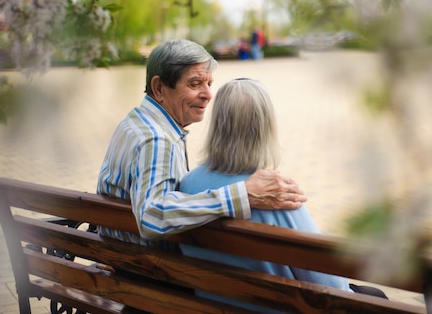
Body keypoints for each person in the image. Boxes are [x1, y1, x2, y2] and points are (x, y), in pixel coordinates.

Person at [97, 39, 306, 248]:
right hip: (147, 270)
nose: (208, 95)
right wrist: (242, 194)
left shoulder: (134, 122)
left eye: (209, 84)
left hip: (119, 257)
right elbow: (152, 217)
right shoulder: (157, 140)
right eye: (195, 84)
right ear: (159, 88)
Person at [179, 78, 350, 312]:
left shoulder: (188, 184)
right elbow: (331, 286)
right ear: (265, 128)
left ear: (218, 124)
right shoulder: (277, 197)